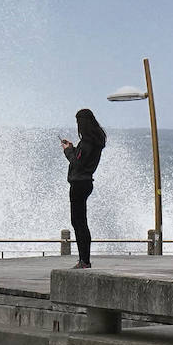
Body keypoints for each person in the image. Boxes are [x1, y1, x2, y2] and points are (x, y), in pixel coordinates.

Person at [60, 109, 106, 269]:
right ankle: (84, 260)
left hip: (79, 184)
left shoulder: (86, 143)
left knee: (78, 222)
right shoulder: (96, 141)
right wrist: (73, 148)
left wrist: (67, 150)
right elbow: (80, 158)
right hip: (87, 183)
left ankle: (84, 261)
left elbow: (76, 163)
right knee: (81, 222)